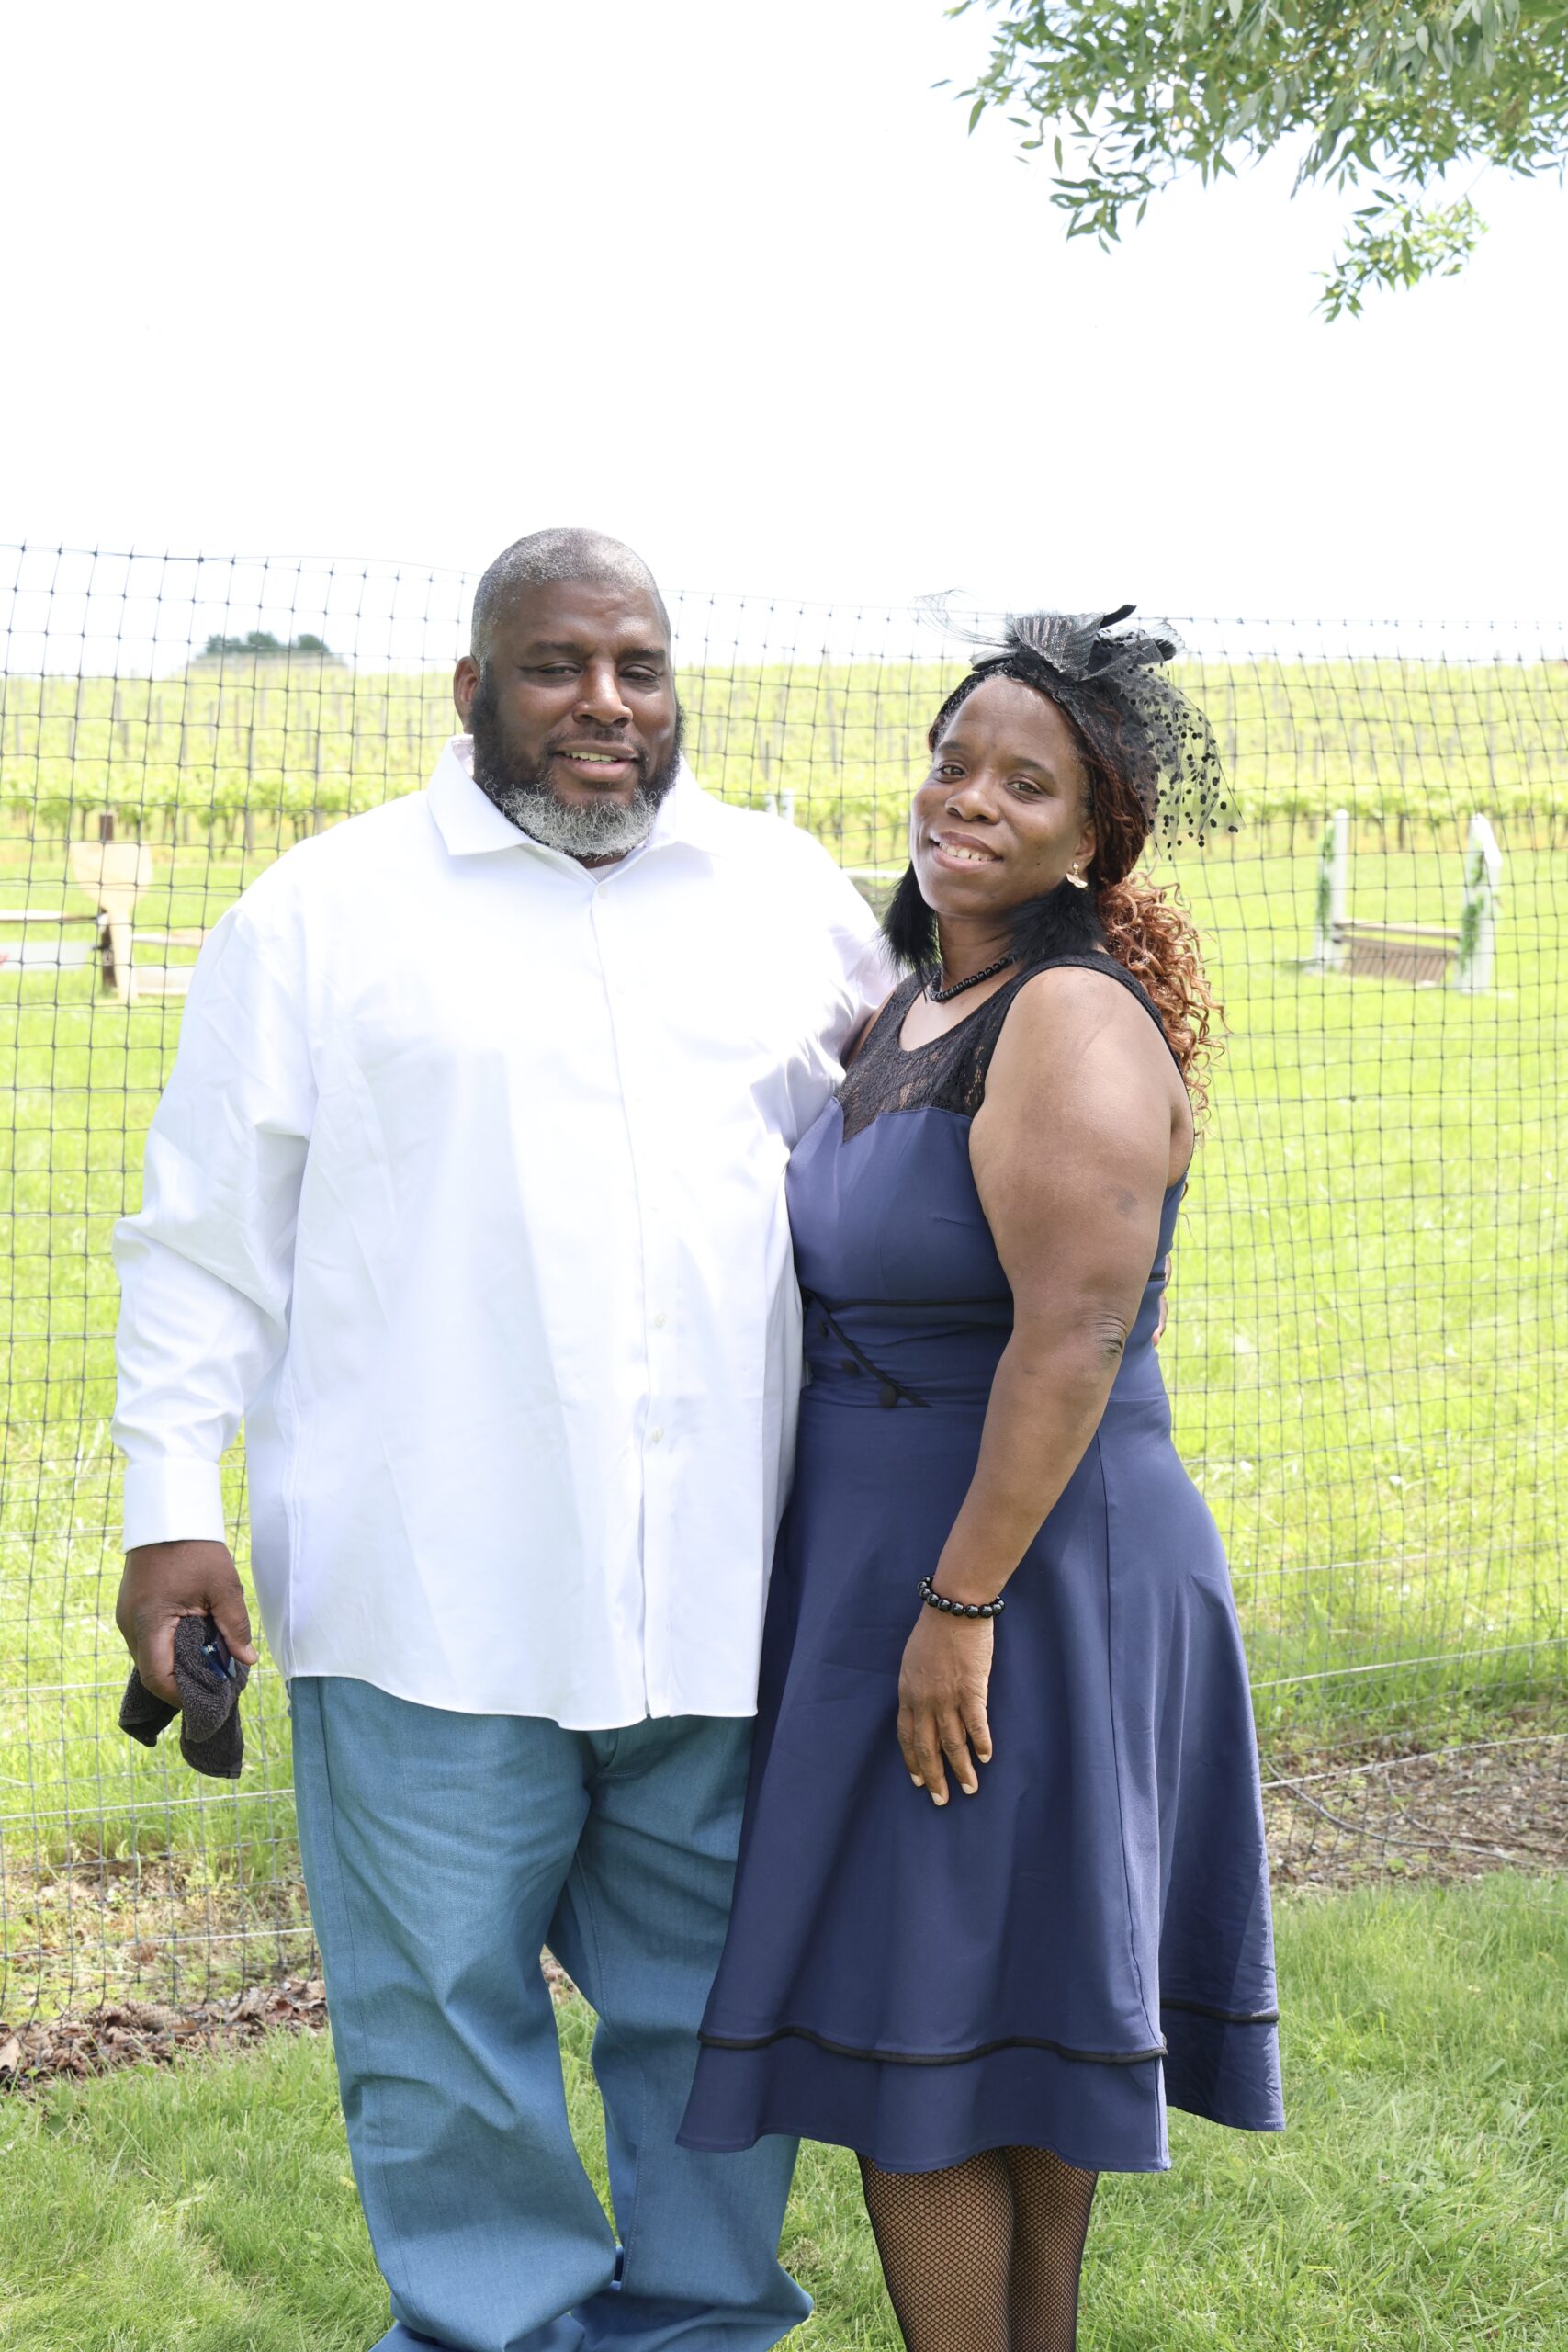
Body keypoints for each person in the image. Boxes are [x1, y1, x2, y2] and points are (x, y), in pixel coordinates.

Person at [110, 528, 889, 2352]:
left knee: (716, 2014)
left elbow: (910, 1159)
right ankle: (494, 2331)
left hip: (723, 1590)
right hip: (426, 1601)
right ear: (471, 689)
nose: (604, 703)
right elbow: (200, 1242)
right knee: (441, 2027)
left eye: (639, 666)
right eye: (555, 666)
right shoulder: (323, 914)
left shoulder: (785, 898)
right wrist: (167, 1511)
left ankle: (701, 2324)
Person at [680, 610, 1285, 2352]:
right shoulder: (920, 999)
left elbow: (1074, 1336)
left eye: (1028, 784)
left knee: (923, 2035)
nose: (970, 800)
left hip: (1020, 1565)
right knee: (983, 2015)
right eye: (954, 763)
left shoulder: (1068, 1019)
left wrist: (959, 1607)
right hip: (911, 1554)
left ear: (1096, 838)